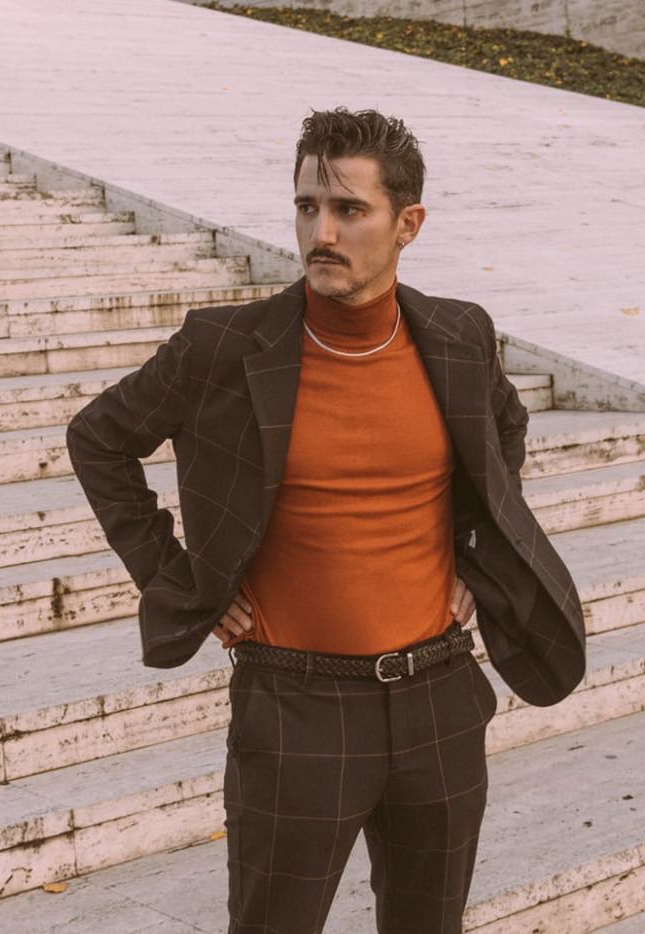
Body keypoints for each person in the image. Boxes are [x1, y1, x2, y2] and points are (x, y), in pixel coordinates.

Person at [66, 106, 585, 933]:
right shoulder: (222, 346)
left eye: (349, 209)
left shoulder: (459, 335)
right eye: (308, 207)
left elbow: (503, 430)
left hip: (438, 698)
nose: (323, 232)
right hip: (294, 703)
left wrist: (471, 558)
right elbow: (99, 439)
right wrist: (180, 578)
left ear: (407, 223)